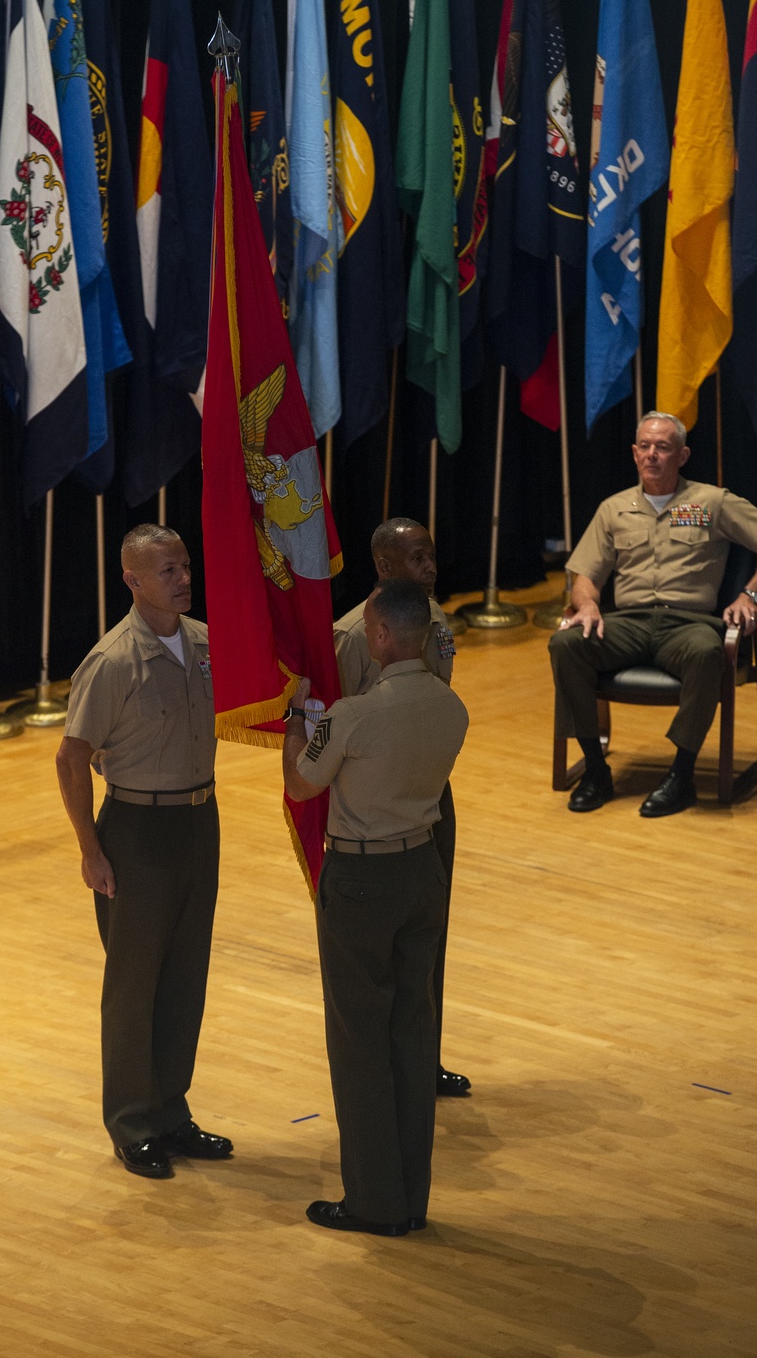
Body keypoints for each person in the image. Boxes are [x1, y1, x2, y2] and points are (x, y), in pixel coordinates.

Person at [284, 579, 469, 1237]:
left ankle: (372, 1200)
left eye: (369, 627)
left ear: (386, 636)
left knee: (360, 1039)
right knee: (412, 1033)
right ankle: (410, 1197)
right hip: (424, 867)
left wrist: (295, 726)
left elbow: (303, 780)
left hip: (363, 878)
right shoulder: (452, 707)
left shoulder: (355, 715)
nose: (365, 636)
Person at [56, 524, 232, 1179]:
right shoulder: (112, 661)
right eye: (167, 570)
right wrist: (90, 850)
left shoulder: (206, 643)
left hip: (198, 821)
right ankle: (133, 1123)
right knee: (134, 986)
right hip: (136, 829)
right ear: (131, 580)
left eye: (185, 565)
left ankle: (171, 1112)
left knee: (186, 977)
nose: (183, 578)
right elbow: (71, 759)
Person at [550, 412, 757, 817]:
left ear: (682, 455)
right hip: (628, 623)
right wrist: (588, 603)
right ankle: (595, 769)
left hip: (689, 623)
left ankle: (681, 775)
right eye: (644, 446)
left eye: (663, 447)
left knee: (705, 653)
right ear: (633, 452)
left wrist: (749, 594)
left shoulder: (713, 501)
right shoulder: (614, 508)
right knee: (566, 643)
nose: (652, 455)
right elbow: (585, 574)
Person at [333, 517, 469, 1098]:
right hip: (375, 809)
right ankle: (388, 1064)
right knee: (381, 954)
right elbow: (337, 726)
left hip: (431, 794)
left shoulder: (434, 619)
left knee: (427, 937)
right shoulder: (351, 636)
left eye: (431, 556)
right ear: (385, 567)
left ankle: (423, 1056)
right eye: (417, 559)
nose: (430, 568)